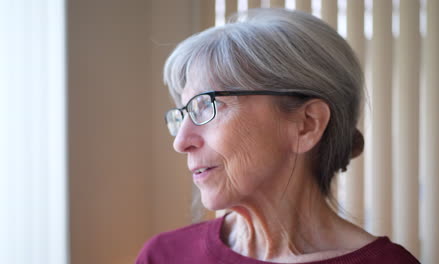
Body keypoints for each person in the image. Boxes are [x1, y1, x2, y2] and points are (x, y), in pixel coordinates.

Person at [136, 8, 419, 264]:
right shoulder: (163, 256)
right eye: (183, 113)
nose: (180, 142)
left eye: (208, 105)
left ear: (307, 124)